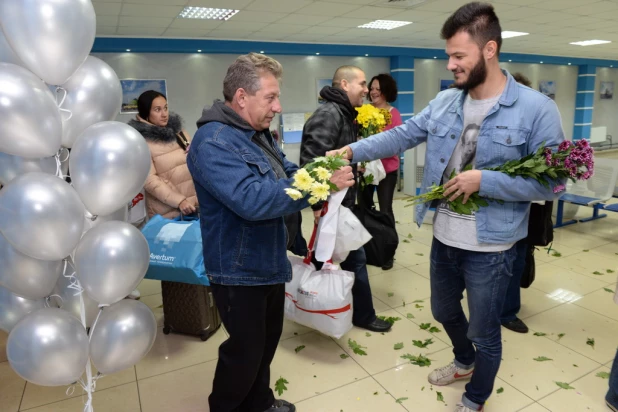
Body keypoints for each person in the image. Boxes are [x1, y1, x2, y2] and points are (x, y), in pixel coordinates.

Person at [327, 3, 566, 411]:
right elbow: (399, 137)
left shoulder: (536, 109)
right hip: (445, 236)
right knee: (442, 311)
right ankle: (464, 360)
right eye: (449, 56)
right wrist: (350, 150)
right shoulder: (445, 102)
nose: (451, 64)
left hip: (492, 247)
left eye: (459, 56)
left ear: (489, 49)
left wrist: (485, 180)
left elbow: (553, 180)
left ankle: (475, 398)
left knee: (485, 330)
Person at [186, 53, 354, 412]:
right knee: (244, 353)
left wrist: (321, 172)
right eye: (271, 98)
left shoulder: (257, 134)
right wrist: (319, 186)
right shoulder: (213, 141)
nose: (278, 106)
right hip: (238, 268)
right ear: (242, 97)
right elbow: (251, 199)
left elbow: (288, 170)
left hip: (268, 259)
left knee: (265, 342)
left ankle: (260, 403)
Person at [300, 66, 392, 333]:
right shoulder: (329, 115)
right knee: (348, 257)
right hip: (331, 204)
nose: (367, 90)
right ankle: (353, 312)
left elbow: (336, 157)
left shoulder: (344, 114)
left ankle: (321, 304)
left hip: (341, 203)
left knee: (331, 257)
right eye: (362, 84)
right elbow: (311, 162)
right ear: (344, 84)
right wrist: (317, 205)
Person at [128, 90, 197, 220]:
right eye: (157, 110)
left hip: (193, 205)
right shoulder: (140, 142)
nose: (164, 114)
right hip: (168, 211)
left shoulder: (179, 132)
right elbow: (149, 181)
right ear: (146, 112)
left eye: (165, 108)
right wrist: (179, 201)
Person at [499, 72, 532, 334]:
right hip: (494, 210)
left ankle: (508, 311)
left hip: (522, 210)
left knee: (517, 260)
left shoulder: (535, 124)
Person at [362, 73, 404, 270]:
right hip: (365, 170)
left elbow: (398, 144)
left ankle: (388, 252)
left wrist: (377, 145)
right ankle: (367, 248)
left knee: (385, 210)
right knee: (364, 208)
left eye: (378, 88)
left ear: (386, 91)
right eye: (372, 88)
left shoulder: (393, 113)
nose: (374, 92)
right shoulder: (362, 111)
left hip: (387, 170)